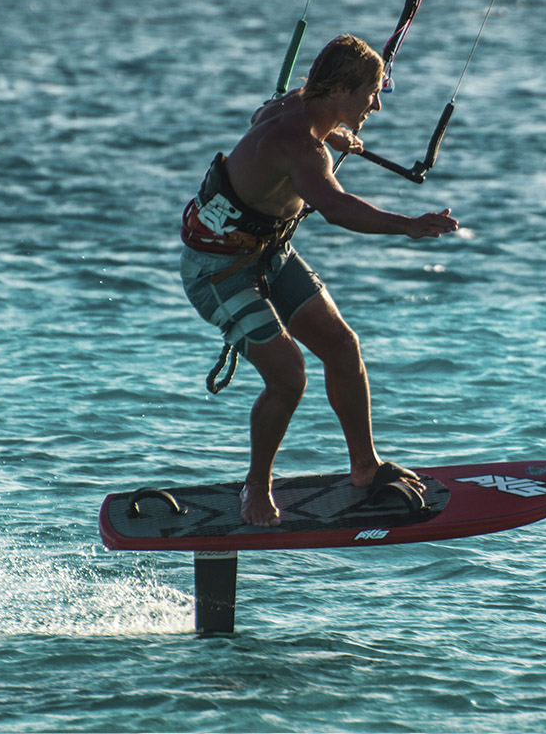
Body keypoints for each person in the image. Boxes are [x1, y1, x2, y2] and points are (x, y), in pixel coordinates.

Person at [180, 34, 459, 527]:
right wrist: (408, 224)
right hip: (217, 271)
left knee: (341, 346)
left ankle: (364, 466)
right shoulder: (304, 149)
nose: (376, 103)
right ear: (343, 90)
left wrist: (331, 131)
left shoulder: (296, 109)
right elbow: (335, 206)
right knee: (288, 375)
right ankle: (257, 486)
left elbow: (261, 118)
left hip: (267, 251)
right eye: (372, 92)